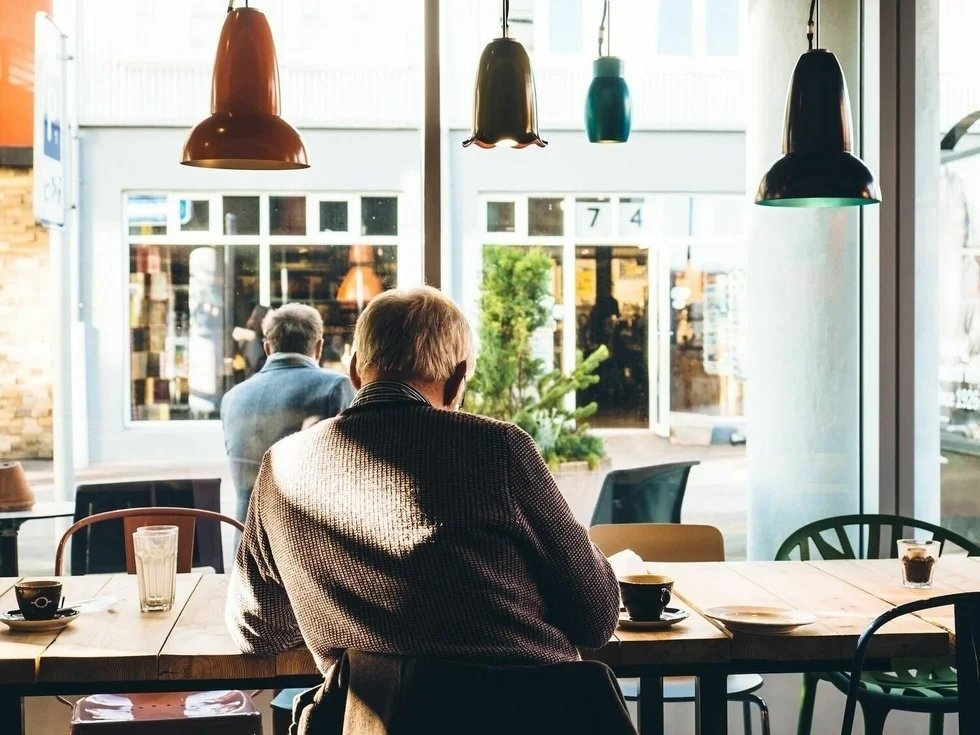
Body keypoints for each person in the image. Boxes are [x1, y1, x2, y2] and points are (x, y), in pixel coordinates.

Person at [225, 286, 620, 675]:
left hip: (375, 720)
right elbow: (596, 616)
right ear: (457, 380)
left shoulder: (281, 466)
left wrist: (336, 603)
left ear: (355, 370)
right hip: (533, 714)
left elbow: (256, 631)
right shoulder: (498, 448)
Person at [220, 302, 355, 523]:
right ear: (319, 347)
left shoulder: (232, 397)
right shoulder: (335, 388)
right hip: (304, 544)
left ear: (267, 348)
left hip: (245, 543)